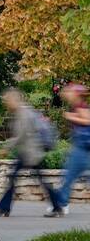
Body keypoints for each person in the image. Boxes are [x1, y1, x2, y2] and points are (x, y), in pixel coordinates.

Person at [0, 88, 60, 217]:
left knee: (18, 179)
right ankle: (57, 206)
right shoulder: (22, 112)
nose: (6, 103)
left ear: (14, 100)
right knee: (30, 179)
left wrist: (7, 147)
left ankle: (4, 208)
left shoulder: (23, 113)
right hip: (29, 152)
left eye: (7, 100)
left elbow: (21, 135)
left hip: (31, 153)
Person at [49, 84, 90, 217]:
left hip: (82, 148)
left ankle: (61, 205)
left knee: (68, 176)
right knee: (69, 176)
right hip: (81, 147)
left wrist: (70, 116)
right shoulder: (78, 106)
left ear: (76, 94)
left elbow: (88, 121)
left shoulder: (81, 106)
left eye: (70, 92)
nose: (67, 94)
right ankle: (62, 204)